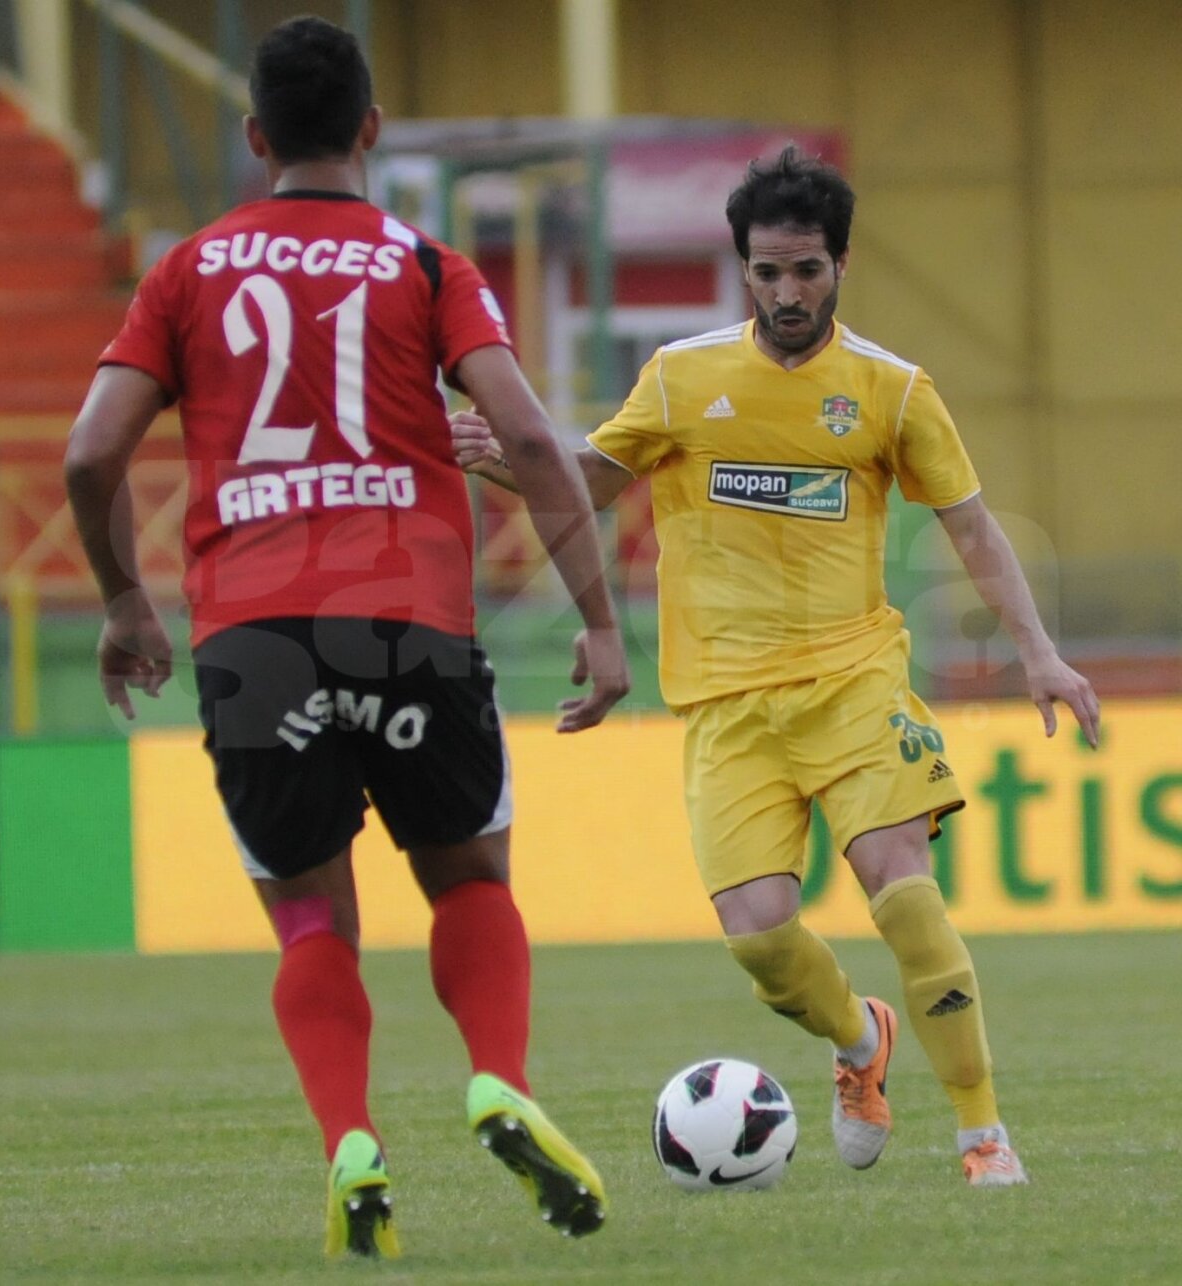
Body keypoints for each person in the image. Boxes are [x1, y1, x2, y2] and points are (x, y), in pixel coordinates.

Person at [65, 16, 628, 1261]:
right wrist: (597, 618)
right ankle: (496, 1077)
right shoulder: (426, 267)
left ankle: (351, 1142)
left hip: (254, 638)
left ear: (257, 136)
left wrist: (120, 600)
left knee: (312, 920)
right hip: (411, 625)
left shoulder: (187, 270)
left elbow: (91, 450)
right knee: (470, 878)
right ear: (370, 127)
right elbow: (533, 441)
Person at [453, 144, 1101, 1188]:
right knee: (759, 939)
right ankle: (859, 1042)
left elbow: (972, 527)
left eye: (806, 269)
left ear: (840, 263)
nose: (787, 291)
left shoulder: (890, 390)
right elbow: (588, 479)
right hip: (723, 700)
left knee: (904, 893)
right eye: (767, 271)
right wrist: (499, 453)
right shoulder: (681, 376)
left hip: (854, 679)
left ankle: (982, 1132)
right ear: (742, 269)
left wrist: (1040, 651)